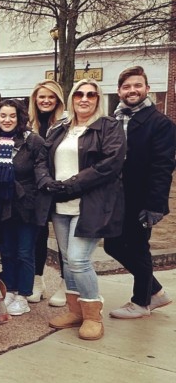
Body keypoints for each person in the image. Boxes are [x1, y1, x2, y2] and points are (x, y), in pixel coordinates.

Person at [37, 78, 125, 341]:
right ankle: (75, 311)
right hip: (61, 205)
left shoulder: (108, 127)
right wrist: (47, 182)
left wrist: (72, 185)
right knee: (67, 260)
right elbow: (42, 158)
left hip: (91, 205)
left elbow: (110, 165)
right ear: (72, 99)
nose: (84, 99)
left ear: (98, 99)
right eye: (79, 95)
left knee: (78, 259)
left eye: (91, 95)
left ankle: (92, 314)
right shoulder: (60, 129)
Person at [105, 67, 176, 319]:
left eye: (137, 85)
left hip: (141, 199)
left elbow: (163, 167)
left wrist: (155, 205)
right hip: (116, 199)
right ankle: (155, 291)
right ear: (119, 91)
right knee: (112, 245)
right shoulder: (113, 120)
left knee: (137, 247)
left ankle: (141, 302)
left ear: (147, 89)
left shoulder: (160, 123)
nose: (132, 90)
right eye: (126, 87)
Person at [0, 99, 50, 316]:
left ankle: (23, 294)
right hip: (3, 206)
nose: (7, 120)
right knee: (7, 251)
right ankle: (10, 289)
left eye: (12, 116)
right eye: (3, 116)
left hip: (26, 205)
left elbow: (40, 172)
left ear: (19, 117)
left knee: (24, 252)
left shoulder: (33, 142)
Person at [27, 79, 68, 306]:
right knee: (38, 236)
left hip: (60, 188)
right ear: (35, 99)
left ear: (58, 100)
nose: (46, 101)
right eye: (42, 96)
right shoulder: (28, 124)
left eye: (51, 97)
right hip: (36, 190)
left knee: (63, 241)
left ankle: (65, 283)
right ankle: (37, 281)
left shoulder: (67, 123)